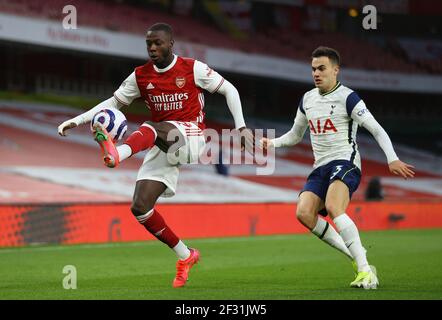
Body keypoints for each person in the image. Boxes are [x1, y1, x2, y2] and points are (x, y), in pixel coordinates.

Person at [58, 23, 253, 288]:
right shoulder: (140, 76)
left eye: (158, 43)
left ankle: (118, 154)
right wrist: (77, 120)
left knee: (151, 126)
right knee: (140, 207)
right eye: (149, 43)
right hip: (163, 141)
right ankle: (186, 255)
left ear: (171, 44)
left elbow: (230, 89)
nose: (152, 48)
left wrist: (240, 127)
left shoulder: (192, 68)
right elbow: (113, 103)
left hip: (192, 137)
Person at [260, 46, 415, 290]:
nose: (316, 73)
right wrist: (272, 143)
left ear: (335, 70)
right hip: (320, 166)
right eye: (313, 69)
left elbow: (375, 128)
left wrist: (392, 158)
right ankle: (357, 257)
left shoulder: (348, 97)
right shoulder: (307, 99)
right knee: (304, 213)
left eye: (322, 68)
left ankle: (366, 272)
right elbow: (294, 135)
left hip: (345, 161)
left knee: (333, 206)